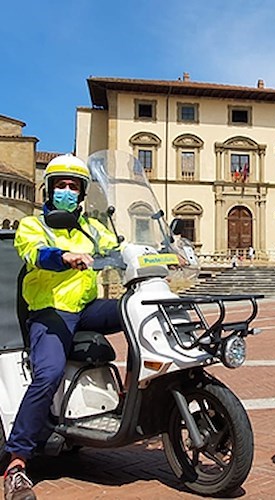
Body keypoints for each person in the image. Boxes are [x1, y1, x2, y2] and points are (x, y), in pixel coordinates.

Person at [3, 154, 123, 500]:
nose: (67, 192)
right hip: (49, 313)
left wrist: (157, 254)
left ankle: (142, 395)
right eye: (61, 186)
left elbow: (119, 247)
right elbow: (35, 253)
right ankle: (17, 462)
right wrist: (63, 257)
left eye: (73, 186)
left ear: (82, 192)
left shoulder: (91, 227)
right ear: (50, 189)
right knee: (48, 374)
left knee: (138, 311)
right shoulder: (32, 226)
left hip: (86, 309)